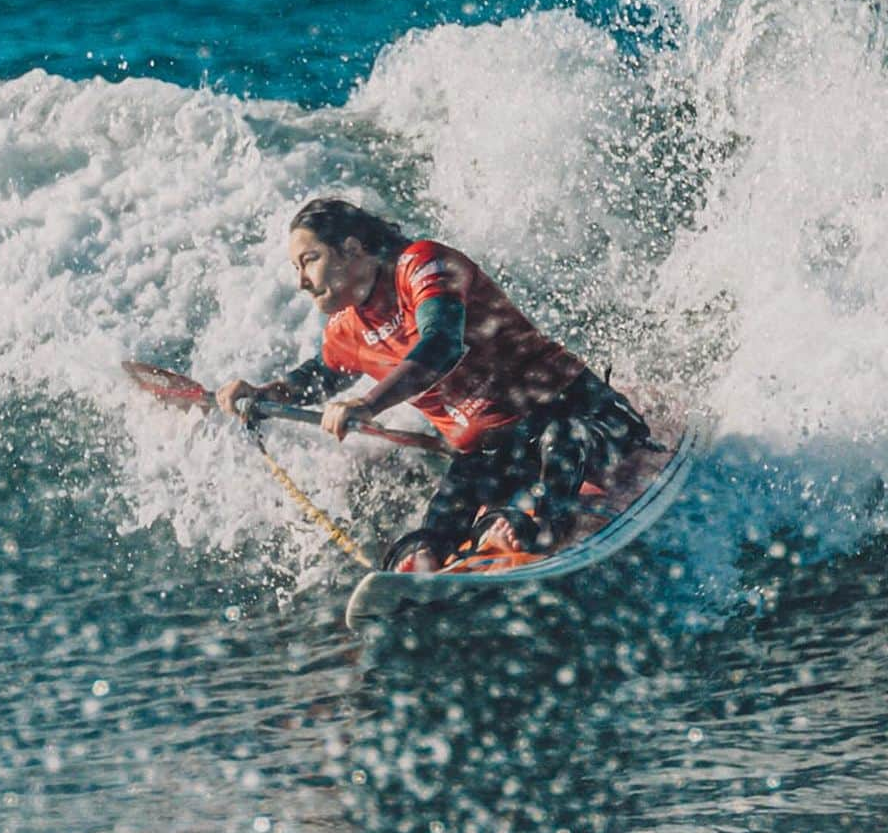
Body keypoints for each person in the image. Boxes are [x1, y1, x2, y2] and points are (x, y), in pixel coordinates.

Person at [217, 198, 650, 572]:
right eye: (296, 267)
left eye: (309, 260)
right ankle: (448, 561)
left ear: (350, 250)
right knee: (430, 538)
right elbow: (316, 378)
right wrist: (261, 396)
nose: (301, 281)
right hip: (497, 453)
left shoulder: (420, 264)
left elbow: (442, 343)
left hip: (579, 414)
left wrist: (367, 405)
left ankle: (540, 530)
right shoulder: (344, 330)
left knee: (563, 438)